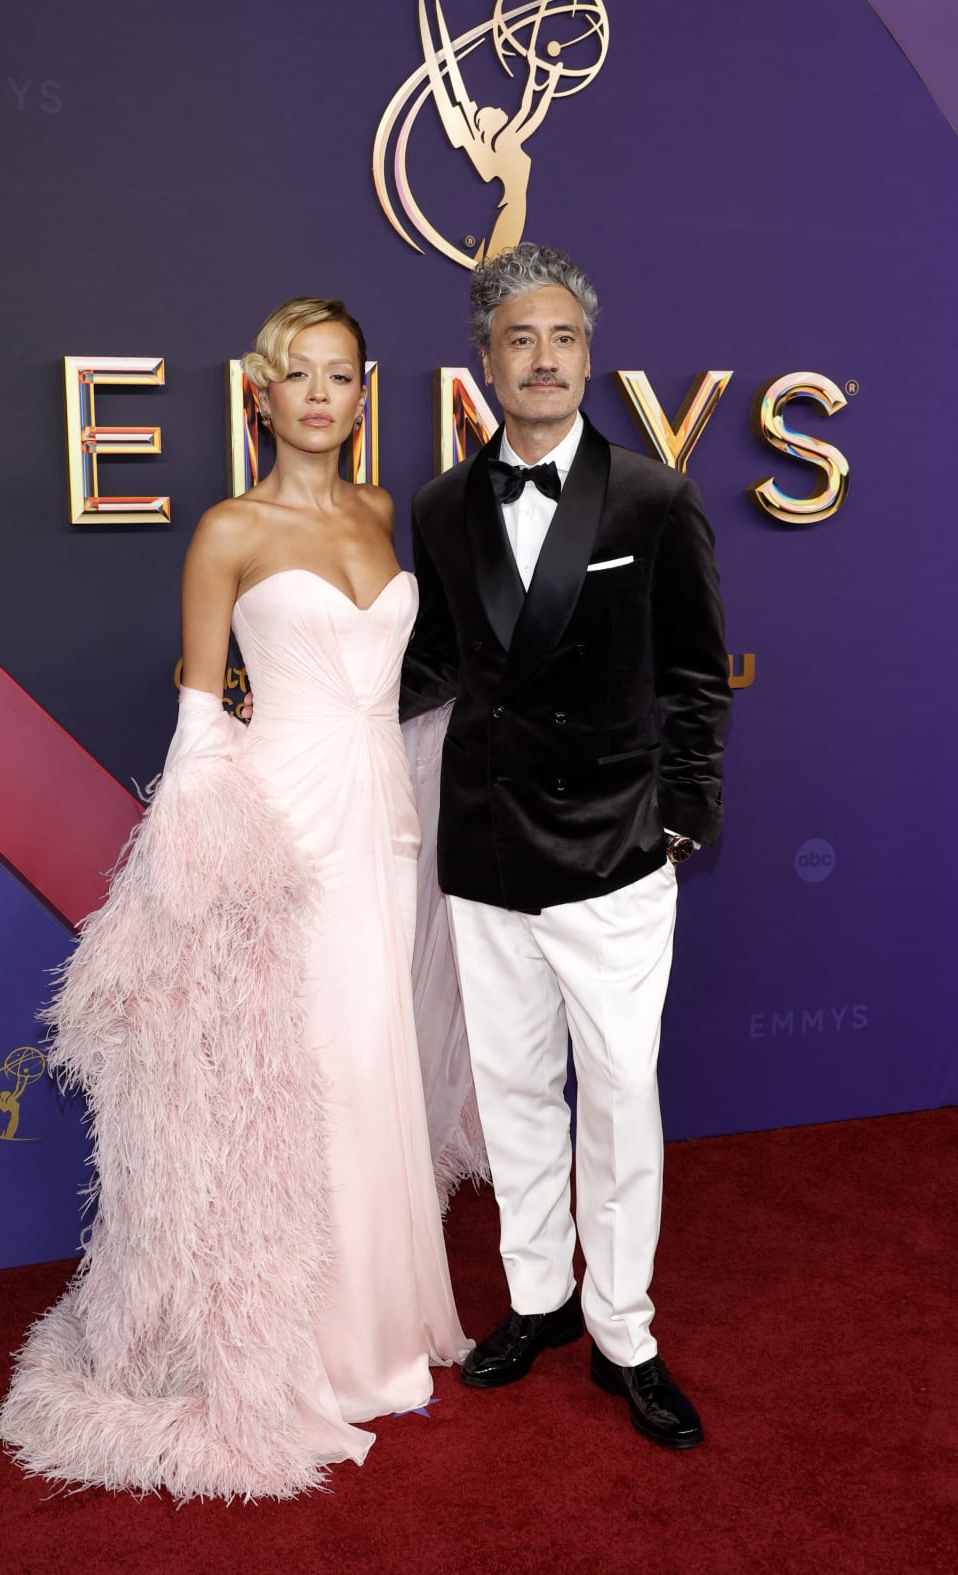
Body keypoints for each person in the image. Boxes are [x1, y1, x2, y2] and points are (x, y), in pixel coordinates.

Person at [0, 297, 470, 1502]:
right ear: (260, 393)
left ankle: (381, 1332)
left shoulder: (379, 512)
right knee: (289, 1074)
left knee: (373, 1060)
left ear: (365, 394)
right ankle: (299, 1350)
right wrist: (188, 883)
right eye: (297, 375)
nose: (320, 394)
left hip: (380, 822)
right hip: (282, 832)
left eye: (342, 375)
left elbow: (401, 678)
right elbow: (202, 717)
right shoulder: (228, 529)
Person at [401, 243, 732, 1450]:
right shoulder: (440, 505)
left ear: (588, 358)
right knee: (513, 1094)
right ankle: (537, 1299)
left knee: (622, 1098)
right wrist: (307, 697)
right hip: (485, 846)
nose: (542, 360)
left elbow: (697, 675)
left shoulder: (652, 497)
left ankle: (625, 1332)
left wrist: (681, 813)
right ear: (484, 360)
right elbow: (434, 661)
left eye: (564, 340)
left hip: (615, 849)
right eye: (518, 340)